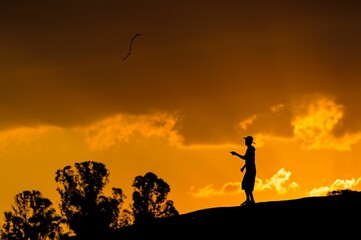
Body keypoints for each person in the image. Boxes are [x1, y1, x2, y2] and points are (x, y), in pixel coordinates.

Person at [230, 136, 256, 206]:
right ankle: (250, 200)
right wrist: (243, 167)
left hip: (250, 169)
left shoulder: (250, 149)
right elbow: (249, 160)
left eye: (246, 141)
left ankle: (250, 200)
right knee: (247, 184)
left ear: (249, 142)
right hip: (250, 168)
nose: (245, 142)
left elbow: (245, 158)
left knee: (247, 184)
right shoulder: (250, 149)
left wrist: (236, 154)